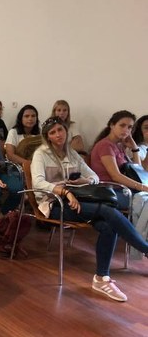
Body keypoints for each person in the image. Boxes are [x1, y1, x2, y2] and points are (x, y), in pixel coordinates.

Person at [31, 117, 148, 302]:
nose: (58, 135)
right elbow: (38, 182)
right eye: (52, 133)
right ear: (47, 136)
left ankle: (101, 279)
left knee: (108, 225)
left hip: (78, 201)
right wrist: (65, 192)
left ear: (66, 130)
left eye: (60, 130)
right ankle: (145, 249)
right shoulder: (41, 154)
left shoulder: (72, 153)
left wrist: (83, 181)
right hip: (53, 204)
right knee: (108, 211)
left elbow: (94, 176)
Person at [90, 110, 148, 206]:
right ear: (112, 125)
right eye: (122, 125)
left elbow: (137, 171)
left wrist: (134, 148)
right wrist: (143, 187)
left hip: (123, 190)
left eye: (129, 127)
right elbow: (115, 176)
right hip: (110, 191)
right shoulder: (105, 145)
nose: (126, 130)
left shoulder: (119, 145)